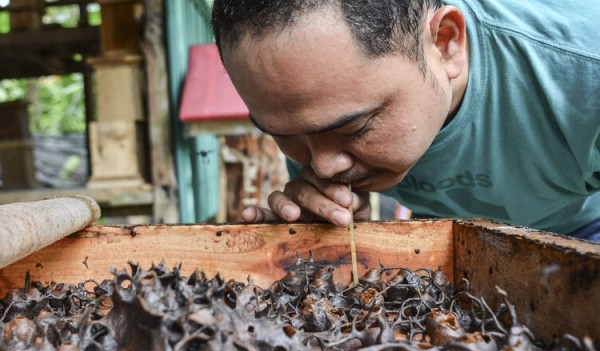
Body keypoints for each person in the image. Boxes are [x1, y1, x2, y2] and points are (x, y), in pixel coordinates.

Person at [211, 0, 600, 243]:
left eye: (354, 128)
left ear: (446, 44)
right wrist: (325, 225)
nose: (322, 165)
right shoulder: (313, 116)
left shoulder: (584, 73)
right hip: (448, 237)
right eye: (283, 135)